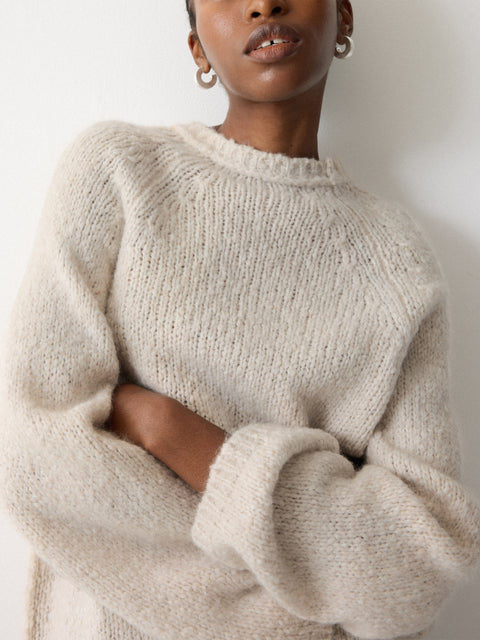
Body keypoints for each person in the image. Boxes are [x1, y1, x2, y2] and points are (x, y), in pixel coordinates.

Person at [1, 1, 479, 639]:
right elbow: (35, 456)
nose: (263, 3)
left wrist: (170, 429)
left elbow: (417, 571)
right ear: (197, 48)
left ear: (344, 17)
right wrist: (301, 609)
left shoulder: (397, 263)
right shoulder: (118, 173)